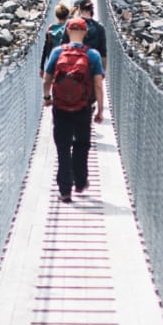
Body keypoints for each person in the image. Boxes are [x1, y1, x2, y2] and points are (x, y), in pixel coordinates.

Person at [43, 17, 104, 202]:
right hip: (83, 107)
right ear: (85, 33)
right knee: (81, 145)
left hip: (60, 107)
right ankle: (80, 181)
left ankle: (64, 190)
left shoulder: (56, 52)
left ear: (67, 31)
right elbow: (98, 85)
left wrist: (47, 98)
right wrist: (100, 110)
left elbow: (47, 79)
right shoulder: (93, 55)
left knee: (63, 148)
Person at [73, 0, 107, 72]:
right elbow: (103, 53)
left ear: (78, 9)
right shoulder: (99, 27)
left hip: (74, 69)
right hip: (92, 69)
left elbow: (62, 47)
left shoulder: (71, 26)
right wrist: (102, 73)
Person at [40, 2, 70, 76]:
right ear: (67, 17)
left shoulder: (50, 28)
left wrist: (42, 67)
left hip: (53, 63)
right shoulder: (69, 29)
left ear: (56, 16)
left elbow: (45, 49)